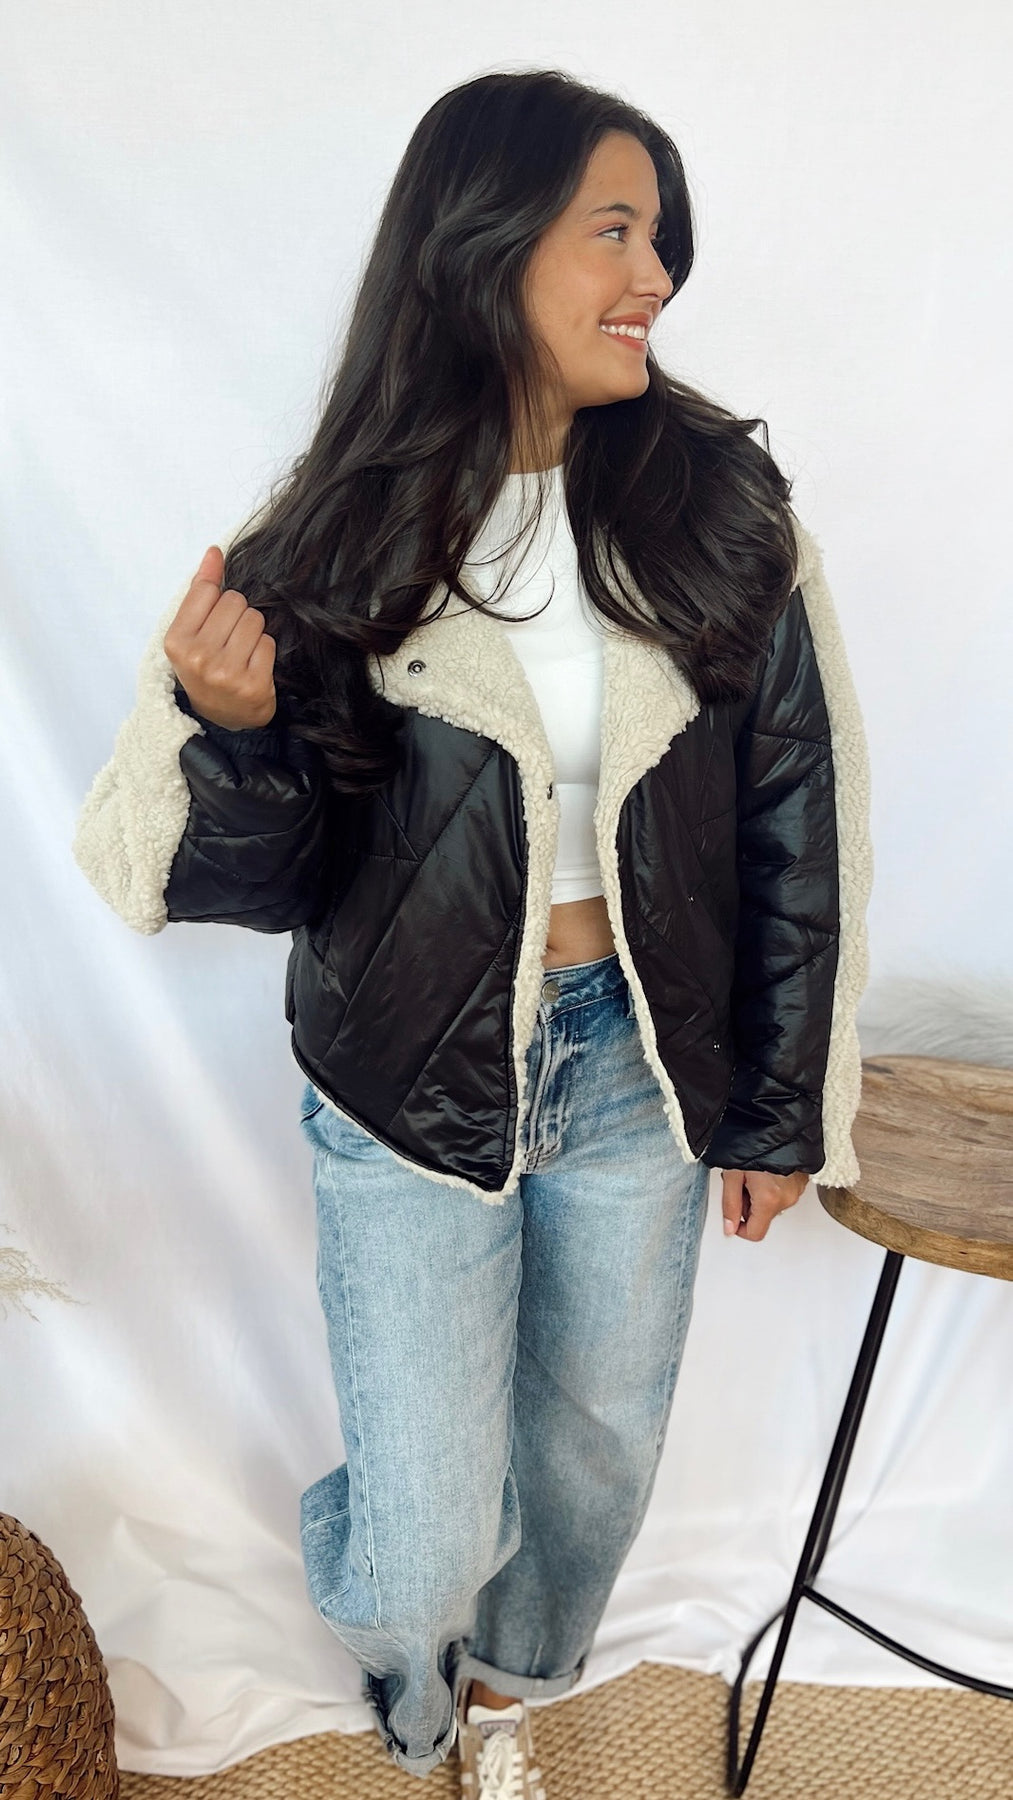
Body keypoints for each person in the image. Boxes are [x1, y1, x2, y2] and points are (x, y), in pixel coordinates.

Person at [73, 67, 872, 1799]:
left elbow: (794, 823)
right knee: (428, 1515)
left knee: (588, 1464)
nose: (654, 273)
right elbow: (248, 880)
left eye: (659, 237)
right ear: (483, 246)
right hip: (403, 1077)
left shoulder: (720, 517)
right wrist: (236, 729)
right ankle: (407, 1665)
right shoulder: (331, 537)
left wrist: (775, 1107)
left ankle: (497, 1701)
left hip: (642, 1064)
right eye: (614, 231)